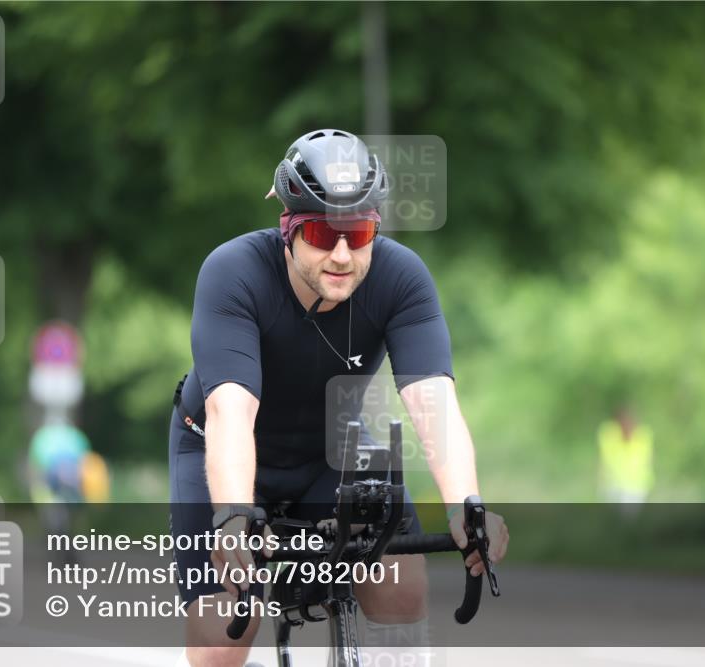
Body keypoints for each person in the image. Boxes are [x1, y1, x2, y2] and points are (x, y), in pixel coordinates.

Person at [169, 129, 508, 667]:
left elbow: (433, 403)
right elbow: (230, 410)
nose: (344, 255)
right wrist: (233, 517)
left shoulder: (402, 278)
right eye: (326, 234)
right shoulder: (233, 272)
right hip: (221, 451)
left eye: (362, 232)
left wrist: (466, 506)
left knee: (400, 583)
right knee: (223, 634)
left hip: (333, 450)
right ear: (289, 227)